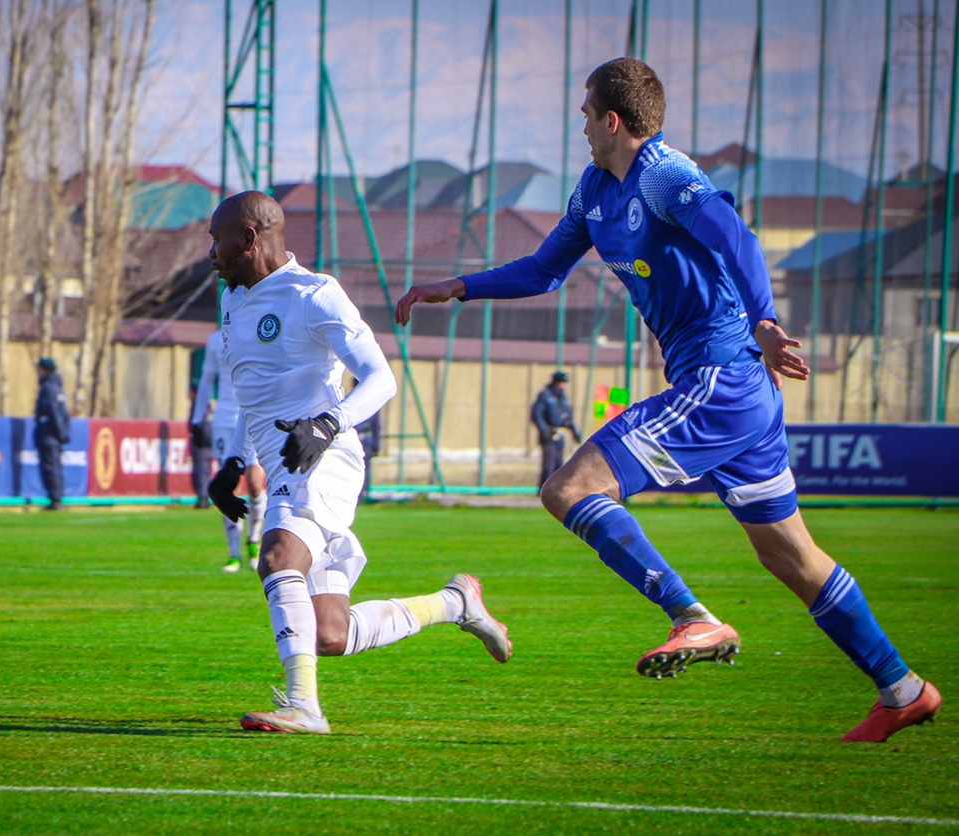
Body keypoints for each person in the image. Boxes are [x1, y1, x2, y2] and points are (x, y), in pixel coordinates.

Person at [395, 57, 940, 743]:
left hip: (722, 379)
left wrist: (766, 322)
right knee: (791, 557)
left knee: (568, 488)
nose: (580, 127)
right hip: (732, 394)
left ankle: (693, 617)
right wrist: (457, 287)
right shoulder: (595, 188)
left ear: (612, 120)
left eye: (586, 114)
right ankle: (903, 689)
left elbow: (734, 236)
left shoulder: (662, 173)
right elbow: (542, 270)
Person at [206, 190, 513, 734]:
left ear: (249, 239)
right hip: (282, 464)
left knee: (277, 558)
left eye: (217, 240)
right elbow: (254, 394)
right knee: (329, 633)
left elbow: (381, 378)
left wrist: (328, 424)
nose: (211, 253)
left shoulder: (315, 295)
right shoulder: (232, 300)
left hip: (323, 458)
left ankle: (303, 706)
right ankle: (454, 603)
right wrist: (234, 460)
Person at [191, 328, 268, 571]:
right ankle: (234, 554)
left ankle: (254, 540)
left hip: (254, 417)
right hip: (224, 421)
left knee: (255, 483)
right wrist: (197, 418)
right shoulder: (216, 340)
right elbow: (207, 380)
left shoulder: (259, 330)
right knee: (228, 485)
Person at [532, 370, 581, 489]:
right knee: (548, 465)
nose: (563, 385)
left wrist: (575, 432)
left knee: (559, 465)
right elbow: (536, 414)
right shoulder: (545, 395)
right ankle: (544, 490)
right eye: (561, 382)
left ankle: (556, 491)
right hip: (549, 434)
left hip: (560, 434)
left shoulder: (563, 398)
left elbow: (568, 416)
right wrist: (544, 430)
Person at [34, 357, 71, 510]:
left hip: (49, 434)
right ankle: (57, 497)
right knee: (55, 465)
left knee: (50, 466)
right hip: (55, 434)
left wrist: (58, 432)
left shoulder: (48, 388)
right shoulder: (58, 388)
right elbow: (64, 414)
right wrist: (63, 433)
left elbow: (53, 412)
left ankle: (55, 499)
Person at [188, 347, 214, 509]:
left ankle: (203, 498)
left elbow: (201, 424)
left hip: (202, 441)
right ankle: (204, 496)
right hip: (207, 439)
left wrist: (199, 437)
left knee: (201, 469)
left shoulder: (199, 405)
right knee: (203, 469)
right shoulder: (205, 403)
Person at [353, 382, 381, 505]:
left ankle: (360, 497)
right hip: (355, 439)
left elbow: (376, 426)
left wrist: (376, 445)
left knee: (364, 472)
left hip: (367, 442)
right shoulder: (350, 401)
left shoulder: (373, 403)